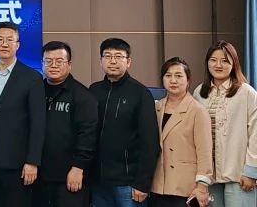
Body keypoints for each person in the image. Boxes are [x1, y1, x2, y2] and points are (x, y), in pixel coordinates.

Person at [0, 21, 46, 207]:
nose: (4, 44)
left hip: (19, 163)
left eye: (9, 40)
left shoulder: (32, 78)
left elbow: (38, 123)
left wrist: (32, 161)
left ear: (17, 45)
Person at [89, 38, 160, 207]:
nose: (112, 61)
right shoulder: (93, 91)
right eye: (107, 56)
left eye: (118, 56)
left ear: (128, 62)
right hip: (98, 182)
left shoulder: (140, 93)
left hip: (129, 183)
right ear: (100, 61)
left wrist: (142, 183)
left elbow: (150, 142)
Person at [193, 40, 257, 207]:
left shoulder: (246, 92)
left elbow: (256, 134)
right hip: (209, 177)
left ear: (234, 63)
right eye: (213, 60)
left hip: (239, 175)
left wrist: (251, 172)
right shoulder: (199, 93)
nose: (218, 65)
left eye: (225, 60)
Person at [34, 41, 98, 207]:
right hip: (38, 175)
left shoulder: (83, 96)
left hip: (70, 176)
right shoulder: (35, 91)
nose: (53, 65)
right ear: (42, 63)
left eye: (59, 61)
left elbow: (88, 135)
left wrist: (78, 168)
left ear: (69, 64)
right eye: (48, 61)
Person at [150, 57, 212, 207]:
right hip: (158, 184)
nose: (173, 80)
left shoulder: (197, 110)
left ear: (188, 80)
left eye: (178, 76)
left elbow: (204, 151)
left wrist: (202, 186)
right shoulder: (155, 108)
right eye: (168, 75)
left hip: (186, 187)